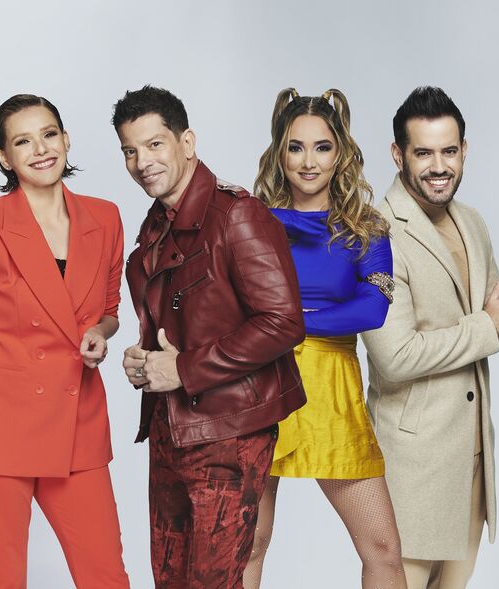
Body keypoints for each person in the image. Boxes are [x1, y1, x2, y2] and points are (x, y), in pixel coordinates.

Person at [361, 86, 499, 589]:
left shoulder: (471, 221)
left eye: (449, 151)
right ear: (398, 154)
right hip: (413, 463)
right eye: (423, 153)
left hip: (472, 459)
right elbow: (395, 356)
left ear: (464, 150)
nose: (438, 166)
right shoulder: (374, 235)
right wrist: (491, 326)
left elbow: (488, 318)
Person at [114, 85, 307, 589]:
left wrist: (182, 368)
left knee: (212, 584)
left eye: (154, 144)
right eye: (130, 151)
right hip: (169, 429)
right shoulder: (154, 226)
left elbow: (283, 321)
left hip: (229, 432)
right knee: (171, 580)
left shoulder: (237, 215)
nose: (142, 162)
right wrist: (144, 360)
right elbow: (179, 324)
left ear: (187, 142)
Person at [0, 94, 130, 588]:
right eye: (23, 141)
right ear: (4, 158)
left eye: (48, 135)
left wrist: (99, 333)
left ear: (66, 139)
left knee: (106, 576)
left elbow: (109, 310)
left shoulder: (105, 217)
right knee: (0, 579)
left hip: (78, 423)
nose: (41, 149)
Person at [243, 88, 407, 588]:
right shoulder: (251, 222)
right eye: (296, 147)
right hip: (261, 384)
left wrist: (287, 319)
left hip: (332, 391)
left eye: (322, 147)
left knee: (383, 551)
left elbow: (373, 308)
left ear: (341, 154)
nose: (308, 161)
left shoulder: (366, 229)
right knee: (249, 543)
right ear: (279, 153)